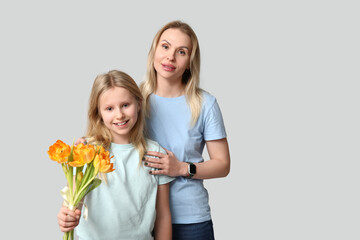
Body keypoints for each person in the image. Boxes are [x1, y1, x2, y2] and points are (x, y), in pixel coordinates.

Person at [57, 70, 174, 240]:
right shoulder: (87, 150)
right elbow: (75, 199)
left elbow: (163, 215)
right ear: (99, 113)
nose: (119, 115)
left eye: (125, 105)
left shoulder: (155, 153)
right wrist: (67, 215)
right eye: (109, 108)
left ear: (139, 104)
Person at [140, 20, 230, 240]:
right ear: (154, 52)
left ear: (190, 62)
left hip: (191, 221)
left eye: (181, 52)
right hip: (142, 217)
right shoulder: (134, 99)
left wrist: (181, 168)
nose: (170, 57)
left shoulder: (205, 103)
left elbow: (223, 165)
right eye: (165, 46)